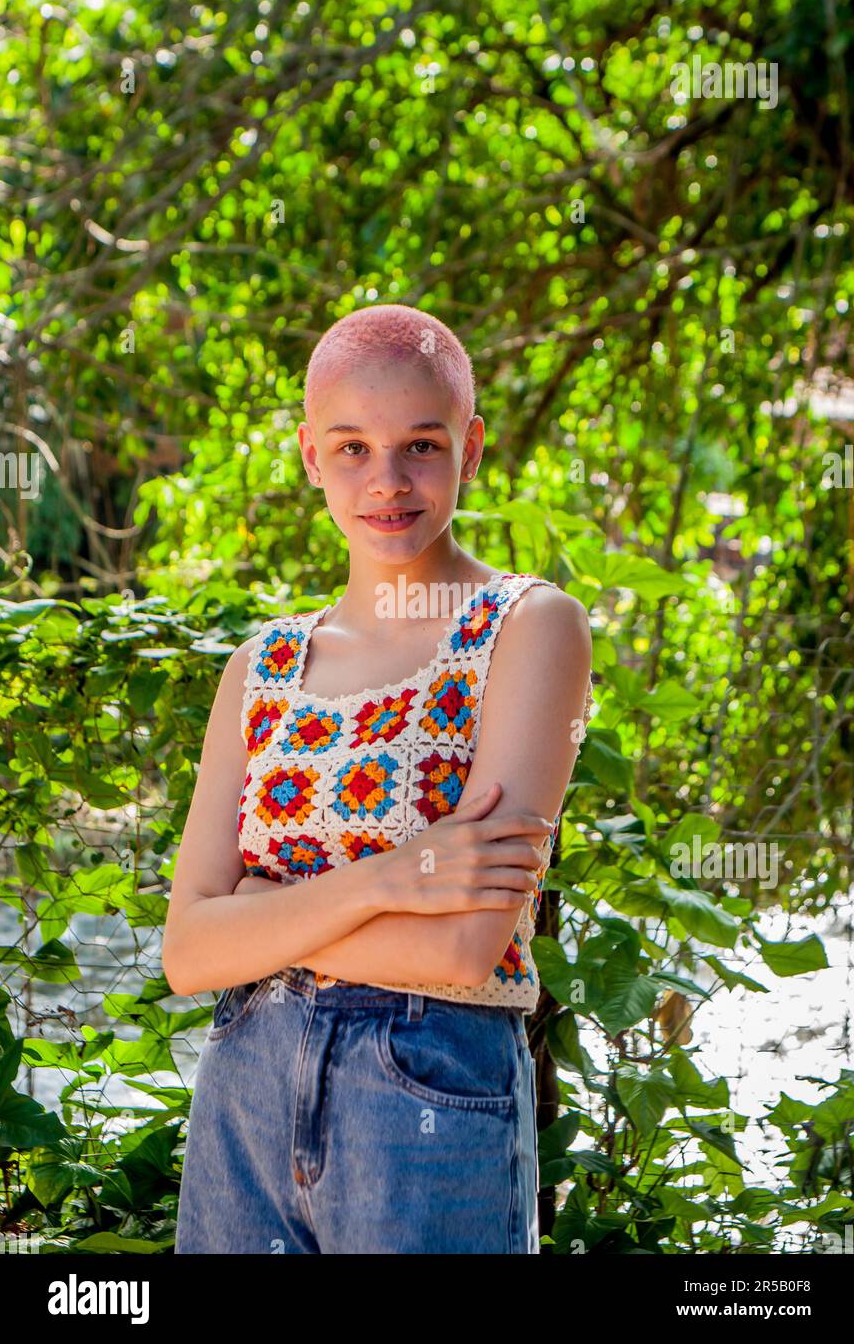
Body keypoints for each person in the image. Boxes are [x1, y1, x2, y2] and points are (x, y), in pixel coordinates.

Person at [164, 302, 593, 1254]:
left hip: (427, 1098)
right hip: (244, 1095)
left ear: (471, 447)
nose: (387, 482)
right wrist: (389, 881)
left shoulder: (525, 629)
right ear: (312, 457)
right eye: (352, 448)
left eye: (421, 446)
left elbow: (462, 952)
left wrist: (262, 914)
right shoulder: (262, 665)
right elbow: (189, 953)